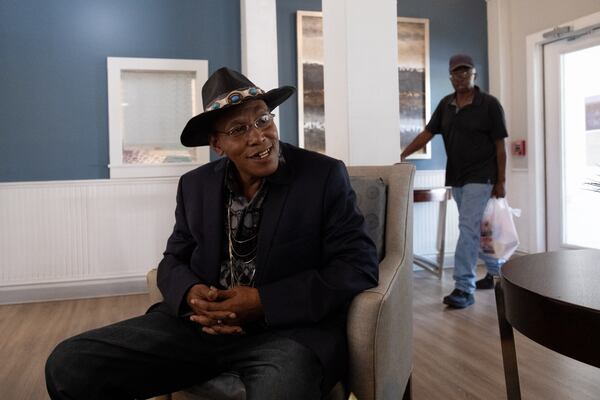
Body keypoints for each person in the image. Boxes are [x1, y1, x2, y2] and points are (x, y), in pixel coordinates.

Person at [45, 67, 379, 399]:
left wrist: (264, 302)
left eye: (263, 119)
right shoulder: (195, 185)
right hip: (198, 330)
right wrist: (191, 293)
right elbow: (173, 258)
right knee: (68, 365)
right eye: (239, 129)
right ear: (217, 144)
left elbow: (357, 266)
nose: (258, 136)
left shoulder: (322, 176)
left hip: (289, 334)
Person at [401, 54, 508, 309]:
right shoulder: (446, 105)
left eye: (465, 72)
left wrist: (501, 181)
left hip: (482, 176)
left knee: (468, 228)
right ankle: (495, 271)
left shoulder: (489, 105)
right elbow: (428, 133)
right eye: (456, 73)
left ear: (474, 74)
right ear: (450, 77)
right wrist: (402, 154)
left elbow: (500, 147)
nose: (461, 77)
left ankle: (464, 287)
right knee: (477, 226)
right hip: (457, 175)